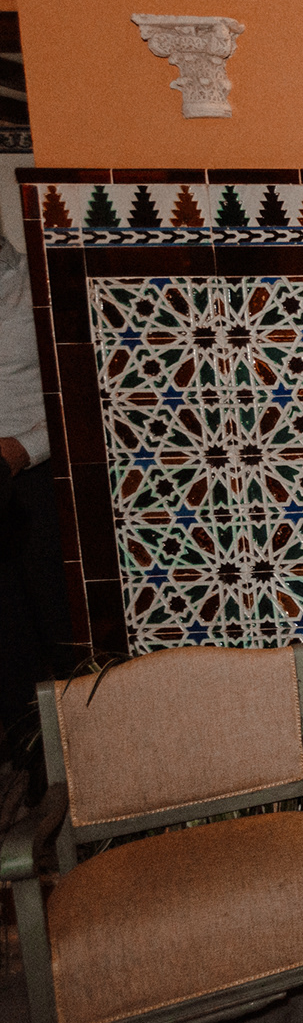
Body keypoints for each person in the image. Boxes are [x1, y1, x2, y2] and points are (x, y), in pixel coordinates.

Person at [0, 235, 72, 728]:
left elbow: (80, 383)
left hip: (37, 478)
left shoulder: (38, 278)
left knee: (60, 628)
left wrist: (26, 448)